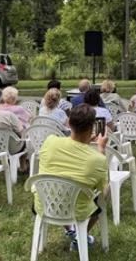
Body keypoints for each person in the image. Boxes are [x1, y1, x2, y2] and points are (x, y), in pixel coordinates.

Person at [35, 104, 109, 246]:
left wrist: (85, 141)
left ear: (69, 122)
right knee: (106, 190)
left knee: (59, 181)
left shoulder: (50, 141)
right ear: (91, 127)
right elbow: (100, 187)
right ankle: (81, 236)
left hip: (45, 203)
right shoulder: (97, 159)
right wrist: (101, 148)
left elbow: (72, 149)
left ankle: (70, 231)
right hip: (77, 209)